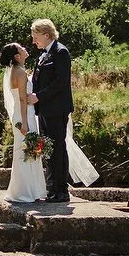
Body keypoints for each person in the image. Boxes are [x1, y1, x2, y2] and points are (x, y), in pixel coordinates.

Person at [28, 18, 97, 200]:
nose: (33, 41)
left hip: (57, 110)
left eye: (35, 37)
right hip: (44, 110)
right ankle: (51, 188)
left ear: (46, 34)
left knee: (58, 148)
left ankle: (61, 191)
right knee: (47, 149)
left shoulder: (61, 52)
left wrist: (39, 96)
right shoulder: (43, 55)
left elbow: (60, 82)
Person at [0, 42, 47, 203]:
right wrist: (25, 123)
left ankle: (31, 190)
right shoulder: (19, 72)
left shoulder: (17, 70)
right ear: (17, 56)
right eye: (21, 48)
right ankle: (26, 192)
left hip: (23, 114)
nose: (25, 48)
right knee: (27, 151)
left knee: (29, 151)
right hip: (24, 115)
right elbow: (21, 99)